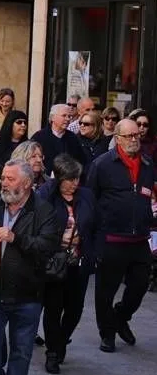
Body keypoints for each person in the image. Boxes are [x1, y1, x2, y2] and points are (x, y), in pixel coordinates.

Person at [0, 160, 58, 375]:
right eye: (3, 178)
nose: (3, 183)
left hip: (27, 296)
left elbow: (47, 247)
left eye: (10, 179)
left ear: (27, 183)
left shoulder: (44, 211)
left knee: (21, 354)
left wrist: (16, 238)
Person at [86, 118, 155, 353]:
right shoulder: (102, 164)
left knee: (140, 285)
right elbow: (90, 199)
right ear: (117, 138)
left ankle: (120, 316)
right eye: (129, 136)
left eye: (137, 135)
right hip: (111, 238)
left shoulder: (147, 163)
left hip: (139, 239)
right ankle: (107, 333)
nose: (135, 140)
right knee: (105, 290)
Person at [35, 155, 95, 373]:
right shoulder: (47, 197)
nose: (74, 183)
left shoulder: (87, 196)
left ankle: (61, 341)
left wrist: (92, 251)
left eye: (77, 178)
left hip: (79, 260)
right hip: (55, 262)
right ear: (59, 178)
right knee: (53, 309)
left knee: (75, 309)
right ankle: (53, 352)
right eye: (69, 179)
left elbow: (95, 225)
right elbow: (40, 225)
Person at [31, 104, 86, 175]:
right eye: (64, 116)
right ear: (53, 118)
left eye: (69, 116)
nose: (67, 119)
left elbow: (81, 161)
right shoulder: (39, 137)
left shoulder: (73, 138)